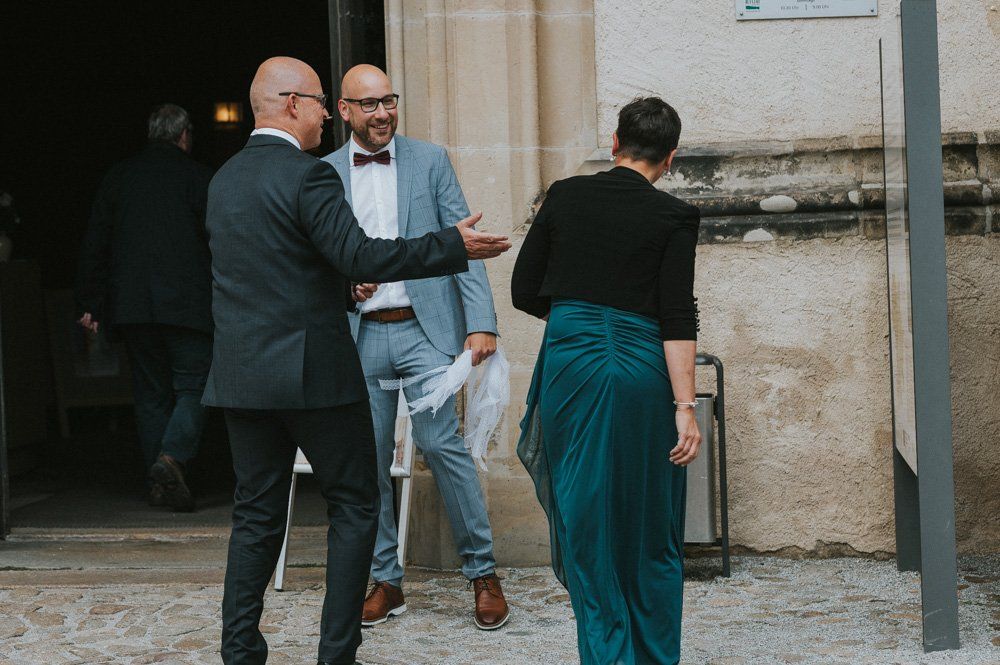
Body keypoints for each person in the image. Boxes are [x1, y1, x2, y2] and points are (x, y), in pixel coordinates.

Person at [204, 56, 510, 665]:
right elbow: (362, 255)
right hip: (316, 376)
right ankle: (337, 651)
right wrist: (452, 244)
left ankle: (240, 650)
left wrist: (341, 289)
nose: (325, 115)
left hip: (242, 377)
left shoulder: (224, 179)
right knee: (354, 503)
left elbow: (273, 268)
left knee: (256, 516)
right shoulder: (309, 176)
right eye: (321, 101)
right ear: (293, 103)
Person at [511, 96, 702, 665]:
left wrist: (578, 320)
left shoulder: (565, 194)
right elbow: (677, 315)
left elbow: (524, 290)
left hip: (574, 363)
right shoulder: (675, 216)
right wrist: (686, 406)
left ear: (614, 144)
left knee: (586, 513)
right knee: (649, 521)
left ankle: (605, 653)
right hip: (644, 368)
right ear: (670, 159)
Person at [322, 64, 510, 631]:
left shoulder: (430, 160)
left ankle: (482, 572)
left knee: (440, 444)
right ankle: (387, 581)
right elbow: (316, 257)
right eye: (370, 104)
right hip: (361, 335)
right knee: (370, 458)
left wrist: (482, 322)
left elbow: (465, 241)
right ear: (345, 110)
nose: (383, 114)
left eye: (390, 101)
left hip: (425, 332)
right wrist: (343, 283)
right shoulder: (325, 173)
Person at [76, 104, 213, 512]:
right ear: (184, 134)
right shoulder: (197, 177)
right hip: (188, 307)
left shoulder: (119, 177)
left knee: (151, 395)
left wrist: (90, 301)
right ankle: (170, 460)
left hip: (133, 307)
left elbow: (95, 241)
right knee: (196, 387)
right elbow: (218, 241)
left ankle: (159, 486)